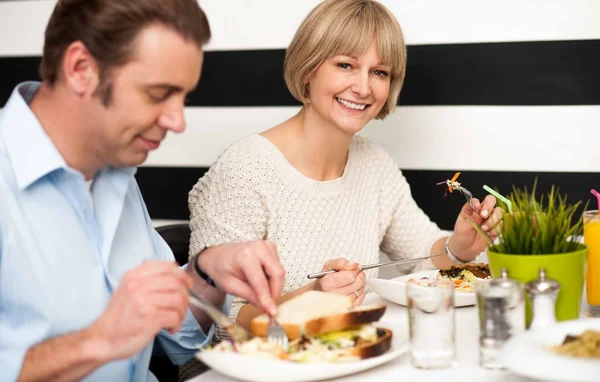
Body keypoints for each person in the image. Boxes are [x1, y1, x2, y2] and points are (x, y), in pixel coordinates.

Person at [0, 1, 285, 381]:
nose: (177, 121)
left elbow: (179, 341)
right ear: (81, 69)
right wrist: (99, 340)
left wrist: (207, 276)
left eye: (183, 96)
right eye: (157, 93)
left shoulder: (115, 168)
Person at [188, 0, 503, 332]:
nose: (364, 88)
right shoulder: (243, 170)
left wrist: (459, 247)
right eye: (345, 65)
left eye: (379, 72)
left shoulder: (374, 165)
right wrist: (312, 297)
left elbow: (424, 256)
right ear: (308, 67)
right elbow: (213, 324)